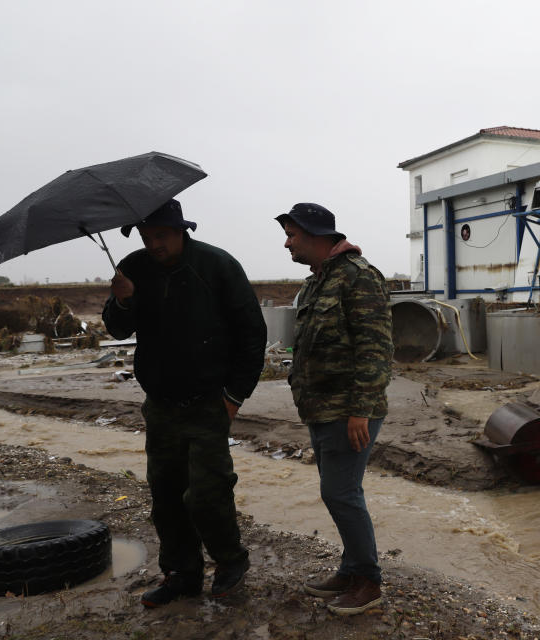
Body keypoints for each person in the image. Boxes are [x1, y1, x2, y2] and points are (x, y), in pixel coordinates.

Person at [103, 199, 267, 607]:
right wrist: (123, 300)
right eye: (146, 237)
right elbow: (118, 328)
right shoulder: (134, 268)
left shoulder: (217, 266)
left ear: (181, 231)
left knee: (207, 494)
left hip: (209, 401)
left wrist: (234, 395)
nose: (153, 244)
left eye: (161, 236)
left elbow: (253, 333)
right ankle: (181, 574)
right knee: (166, 495)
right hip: (160, 404)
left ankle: (230, 562)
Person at [276, 202, 393, 616]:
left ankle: (368, 582)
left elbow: (375, 348)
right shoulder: (314, 284)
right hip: (321, 408)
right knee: (338, 493)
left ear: (316, 234)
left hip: (349, 409)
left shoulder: (358, 278)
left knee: (340, 493)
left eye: (292, 234)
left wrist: (360, 409)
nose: (286, 242)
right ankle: (350, 568)